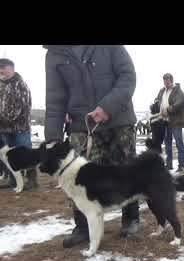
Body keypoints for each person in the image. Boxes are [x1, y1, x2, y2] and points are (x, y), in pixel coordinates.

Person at [44, 45, 139, 248]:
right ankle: (82, 226)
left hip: (118, 119)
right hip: (81, 123)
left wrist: (108, 107)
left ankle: (130, 218)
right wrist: (52, 137)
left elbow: (128, 76)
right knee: (78, 176)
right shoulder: (54, 53)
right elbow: (55, 98)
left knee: (126, 170)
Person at [0, 58, 38, 190]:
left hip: (20, 128)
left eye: (3, 67)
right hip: (5, 129)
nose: (1, 70)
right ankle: (13, 180)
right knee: (9, 157)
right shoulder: (1, 85)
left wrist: (4, 119)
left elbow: (23, 107)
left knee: (25, 154)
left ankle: (31, 180)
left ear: (11, 68)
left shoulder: (20, 84)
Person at [151, 73, 184, 172]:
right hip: (164, 121)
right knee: (167, 143)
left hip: (176, 121)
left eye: (167, 80)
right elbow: (158, 100)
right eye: (164, 80)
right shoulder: (162, 91)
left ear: (171, 80)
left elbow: (180, 102)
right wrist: (155, 105)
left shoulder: (177, 91)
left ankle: (181, 165)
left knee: (179, 143)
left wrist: (168, 110)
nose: (166, 82)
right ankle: (169, 164)